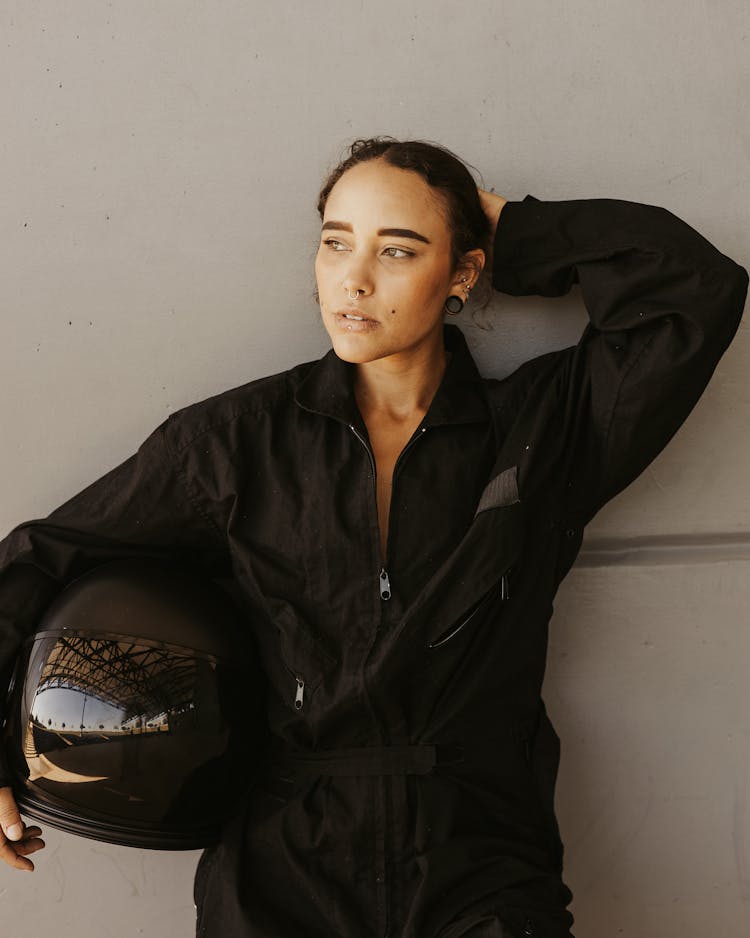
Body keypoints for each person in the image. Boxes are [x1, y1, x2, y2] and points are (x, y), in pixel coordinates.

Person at [0, 137, 747, 938]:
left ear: (463, 273)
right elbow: (43, 553)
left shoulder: (540, 431)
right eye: (335, 243)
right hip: (280, 871)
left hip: (481, 863)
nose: (353, 279)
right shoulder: (233, 442)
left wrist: (510, 228)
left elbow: (693, 290)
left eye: (398, 249)